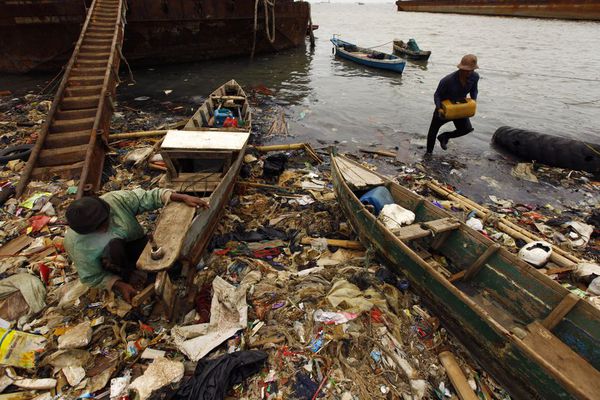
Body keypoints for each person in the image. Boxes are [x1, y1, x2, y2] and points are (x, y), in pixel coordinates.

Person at [64, 188, 208, 303]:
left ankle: (161, 272)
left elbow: (147, 197)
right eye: (98, 229)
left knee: (173, 264)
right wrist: (118, 284)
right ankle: (133, 276)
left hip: (138, 245)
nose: (104, 229)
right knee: (115, 248)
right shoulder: (77, 244)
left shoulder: (114, 200)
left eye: (105, 222)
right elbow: (92, 276)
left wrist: (182, 197)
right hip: (116, 264)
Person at [426, 54, 480, 154]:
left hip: (460, 107)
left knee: (466, 129)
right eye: (466, 70)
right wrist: (438, 108)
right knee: (433, 131)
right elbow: (437, 95)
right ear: (461, 68)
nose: (468, 73)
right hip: (444, 108)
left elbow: (474, 90)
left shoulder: (475, 77)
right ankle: (428, 153)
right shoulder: (448, 80)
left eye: (471, 70)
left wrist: (473, 102)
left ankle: (444, 136)